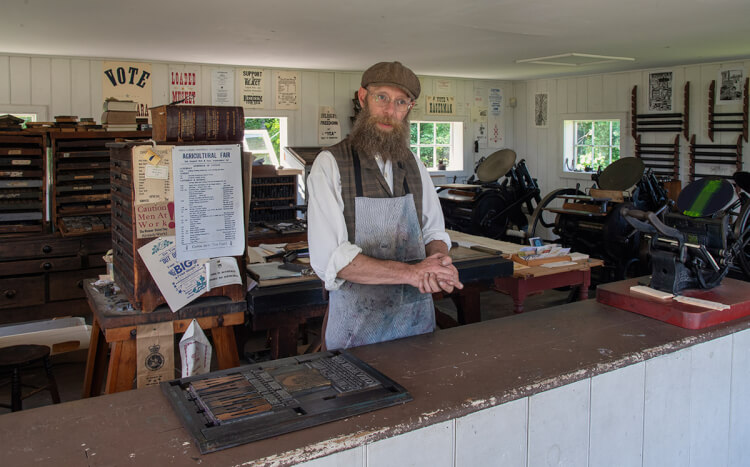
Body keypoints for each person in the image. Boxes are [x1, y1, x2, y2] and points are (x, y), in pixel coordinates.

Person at [307, 61, 463, 351]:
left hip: (417, 326)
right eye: (381, 97)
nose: (389, 111)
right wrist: (413, 273)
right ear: (363, 98)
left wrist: (440, 263)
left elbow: (434, 233)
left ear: (409, 108)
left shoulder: (415, 164)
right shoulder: (330, 165)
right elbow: (333, 259)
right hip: (357, 331)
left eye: (400, 102)